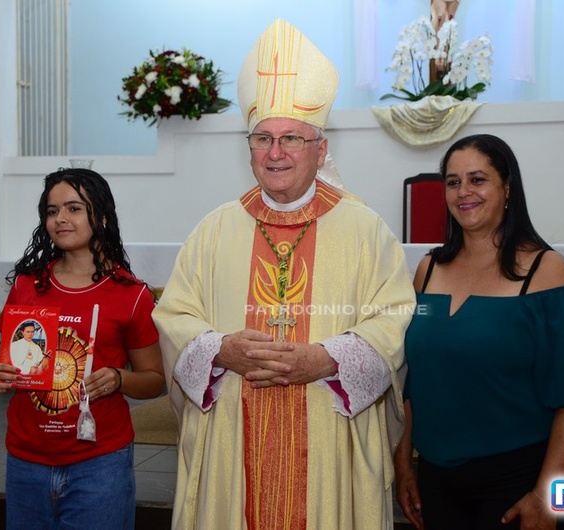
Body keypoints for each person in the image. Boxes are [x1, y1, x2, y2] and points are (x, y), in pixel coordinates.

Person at [152, 19, 416, 530]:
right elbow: (175, 316)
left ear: (321, 149)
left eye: (292, 137)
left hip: (328, 440)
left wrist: (326, 359)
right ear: (249, 148)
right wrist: (220, 350)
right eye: (263, 138)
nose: (276, 152)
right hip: (233, 439)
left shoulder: (366, 230)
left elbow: (395, 320)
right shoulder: (213, 230)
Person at [394, 134, 564, 530]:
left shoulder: (547, 272)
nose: (463, 192)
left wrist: (546, 494)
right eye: (453, 182)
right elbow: (413, 379)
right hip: (436, 476)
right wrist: (404, 463)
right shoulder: (428, 270)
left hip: (516, 479)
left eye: (477, 179)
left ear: (507, 188)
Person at [0, 168, 165, 530]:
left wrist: (118, 378)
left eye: (74, 208)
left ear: (102, 216)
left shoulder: (132, 294)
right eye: (52, 211)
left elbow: (155, 380)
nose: (60, 218)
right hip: (26, 459)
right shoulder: (28, 285)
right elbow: (8, 360)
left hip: (99, 462)